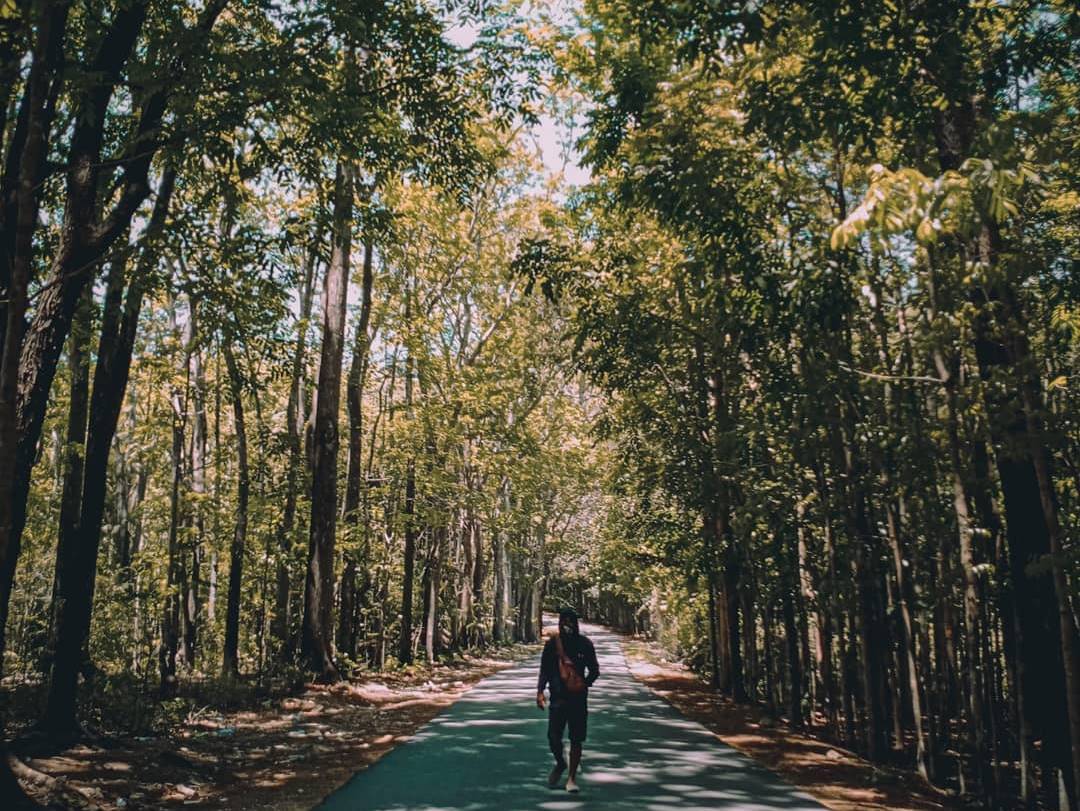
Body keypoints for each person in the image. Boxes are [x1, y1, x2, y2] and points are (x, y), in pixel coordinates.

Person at [536, 608, 599, 793]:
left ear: (576, 623)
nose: (567, 625)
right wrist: (540, 692)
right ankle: (560, 763)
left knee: (576, 739)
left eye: (571, 621)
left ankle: (572, 778)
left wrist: (584, 684)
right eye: (564, 621)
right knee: (553, 737)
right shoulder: (552, 646)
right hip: (557, 698)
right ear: (559, 623)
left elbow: (595, 670)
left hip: (578, 700)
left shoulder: (585, 644)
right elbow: (544, 670)